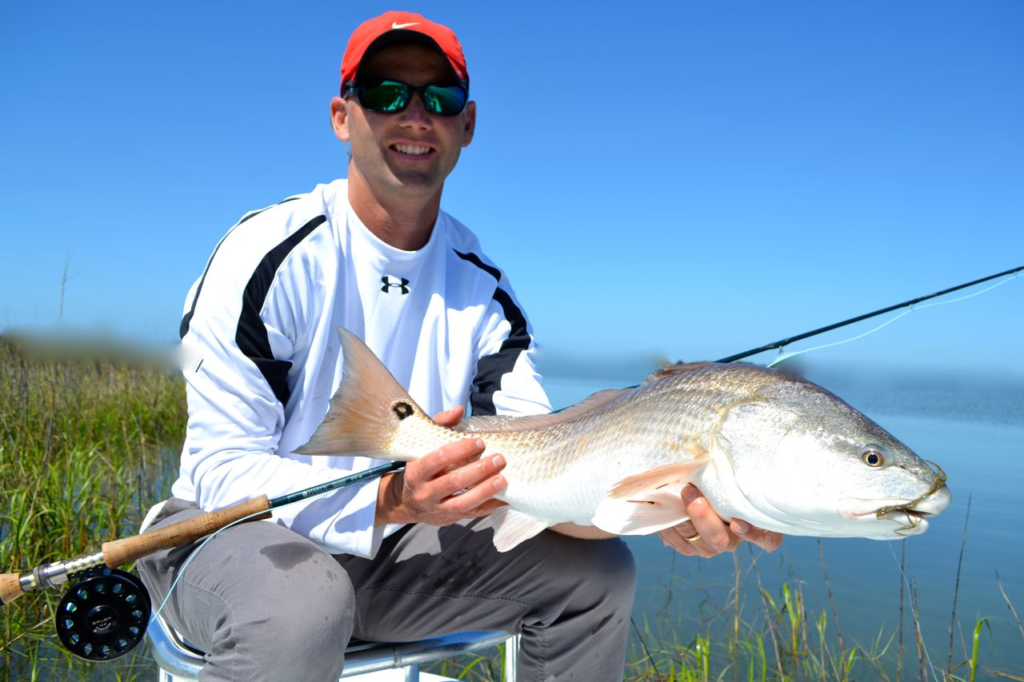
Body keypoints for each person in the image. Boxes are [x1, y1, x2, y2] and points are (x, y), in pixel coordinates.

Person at [138, 11, 782, 682]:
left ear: (466, 125)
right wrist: (387, 501)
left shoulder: (487, 295)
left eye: (438, 98)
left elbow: (541, 478)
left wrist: (669, 509)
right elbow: (218, 469)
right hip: (221, 542)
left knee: (600, 573)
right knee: (303, 603)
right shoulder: (269, 255)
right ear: (341, 115)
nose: (415, 116)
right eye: (387, 93)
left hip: (386, 557)